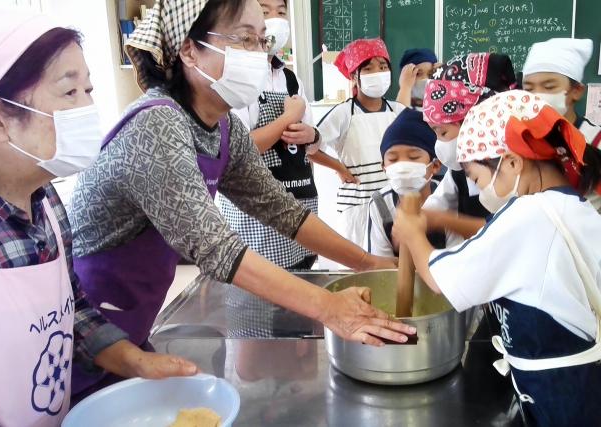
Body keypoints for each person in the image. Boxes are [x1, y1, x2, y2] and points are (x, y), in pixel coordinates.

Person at [67, 0, 414, 395]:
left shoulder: (223, 126)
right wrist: (329, 307)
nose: (258, 54)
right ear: (189, 49)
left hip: (132, 321)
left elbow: (281, 209)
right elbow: (216, 249)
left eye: (262, 41)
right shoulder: (156, 124)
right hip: (84, 327)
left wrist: (366, 262)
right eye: (244, 39)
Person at [0, 4, 202, 426]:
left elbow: (72, 308)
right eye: (69, 93)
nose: (88, 107)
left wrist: (134, 361)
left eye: (89, 91)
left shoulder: (45, 202)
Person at [393, 90, 601, 426]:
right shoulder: (573, 207)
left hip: (563, 395)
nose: (480, 192)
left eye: (477, 178)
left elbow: (440, 281)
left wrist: (412, 233)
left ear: (513, 162)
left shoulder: (529, 214)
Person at [220, 0, 319, 271]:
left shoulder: (289, 78)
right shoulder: (234, 79)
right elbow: (239, 149)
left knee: (301, 287)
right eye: (265, 11)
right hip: (256, 215)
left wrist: (310, 134)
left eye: (281, 11)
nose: (275, 19)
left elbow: (311, 146)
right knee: (260, 297)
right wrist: (287, 119)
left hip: (299, 201)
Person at [313, 38, 406, 247]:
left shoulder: (398, 111)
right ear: (354, 76)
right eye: (369, 68)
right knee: (360, 268)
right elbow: (310, 147)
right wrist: (338, 167)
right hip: (358, 205)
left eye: (383, 67)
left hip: (394, 201)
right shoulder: (344, 113)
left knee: (394, 265)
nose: (378, 73)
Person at [421, 53, 517, 240]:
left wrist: (443, 220)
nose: (439, 144)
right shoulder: (459, 172)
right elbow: (436, 204)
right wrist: (418, 219)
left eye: (443, 133)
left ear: (472, 123)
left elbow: (505, 232)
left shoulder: (514, 170)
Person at [522, 37, 601, 211]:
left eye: (549, 87)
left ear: (576, 91)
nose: (537, 96)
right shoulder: (520, 139)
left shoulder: (596, 140)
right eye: (528, 89)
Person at [366, 108, 444, 257]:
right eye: (393, 159)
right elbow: (381, 265)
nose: (402, 167)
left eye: (414, 157)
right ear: (383, 167)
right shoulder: (380, 204)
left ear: (435, 165)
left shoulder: (448, 198)